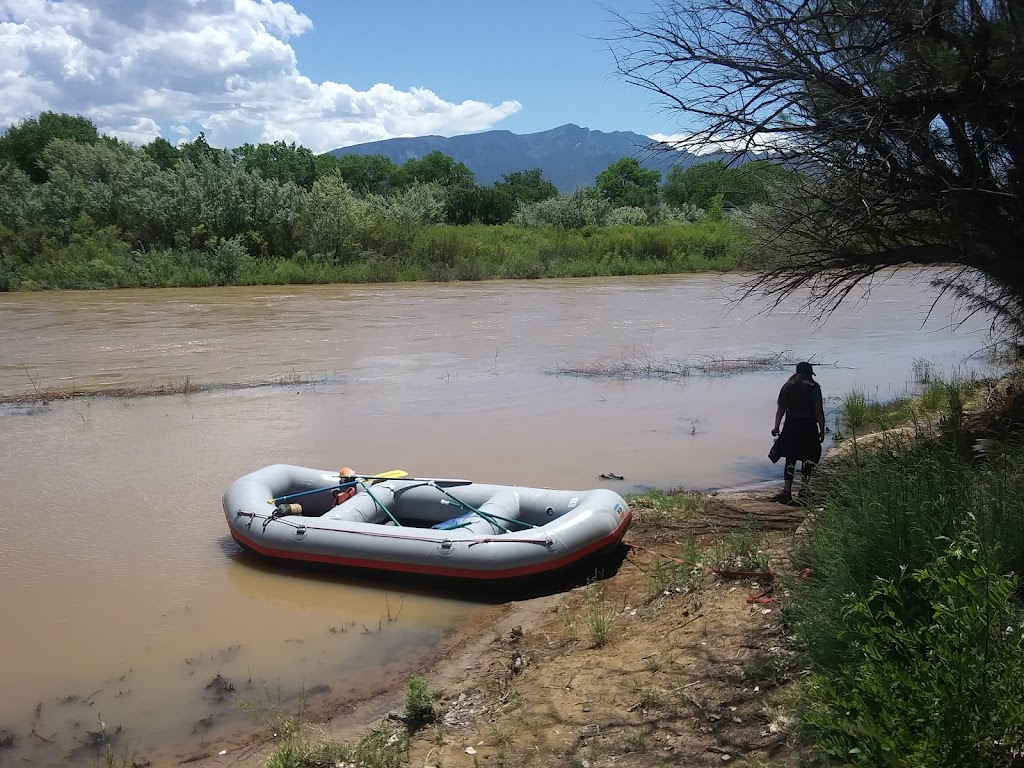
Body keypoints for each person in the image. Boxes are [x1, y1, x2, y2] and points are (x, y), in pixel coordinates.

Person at [770, 361, 826, 504]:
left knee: (791, 457)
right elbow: (819, 411)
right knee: (808, 458)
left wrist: (776, 427)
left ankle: (787, 492)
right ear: (809, 373)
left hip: (791, 426)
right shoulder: (814, 388)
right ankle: (804, 490)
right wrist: (822, 430)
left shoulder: (788, 387)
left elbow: (780, 409)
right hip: (809, 427)